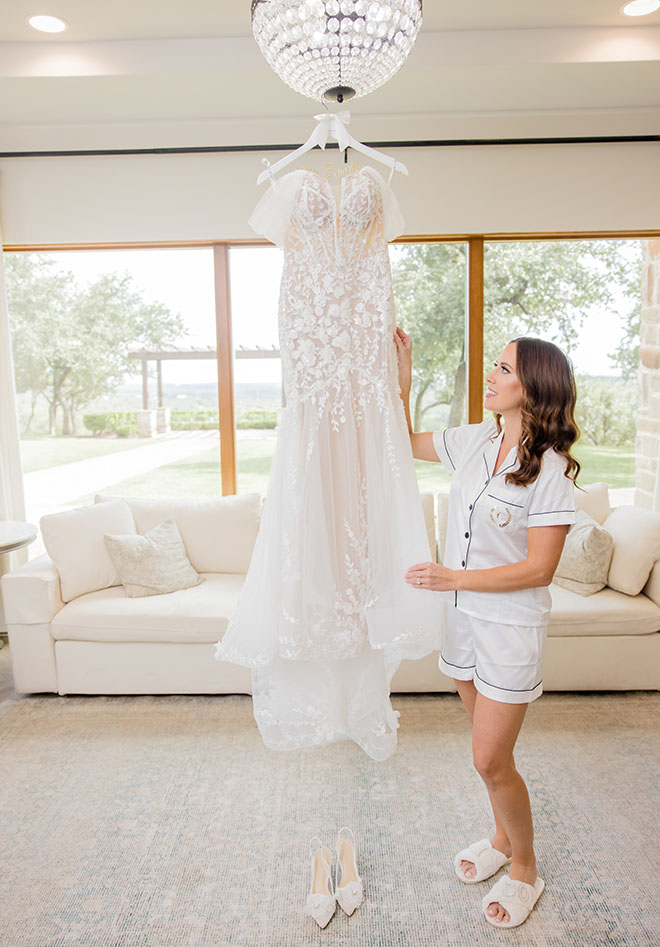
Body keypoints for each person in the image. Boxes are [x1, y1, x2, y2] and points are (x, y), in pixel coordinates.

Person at [394, 328, 579, 929]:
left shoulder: (551, 469)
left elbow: (539, 568)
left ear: (535, 389)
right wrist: (404, 371)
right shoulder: (474, 441)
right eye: (494, 365)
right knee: (488, 752)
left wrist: (453, 578)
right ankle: (501, 839)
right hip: (462, 624)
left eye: (503, 369)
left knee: (490, 760)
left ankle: (525, 868)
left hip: (509, 630)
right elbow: (400, 440)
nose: (491, 376)